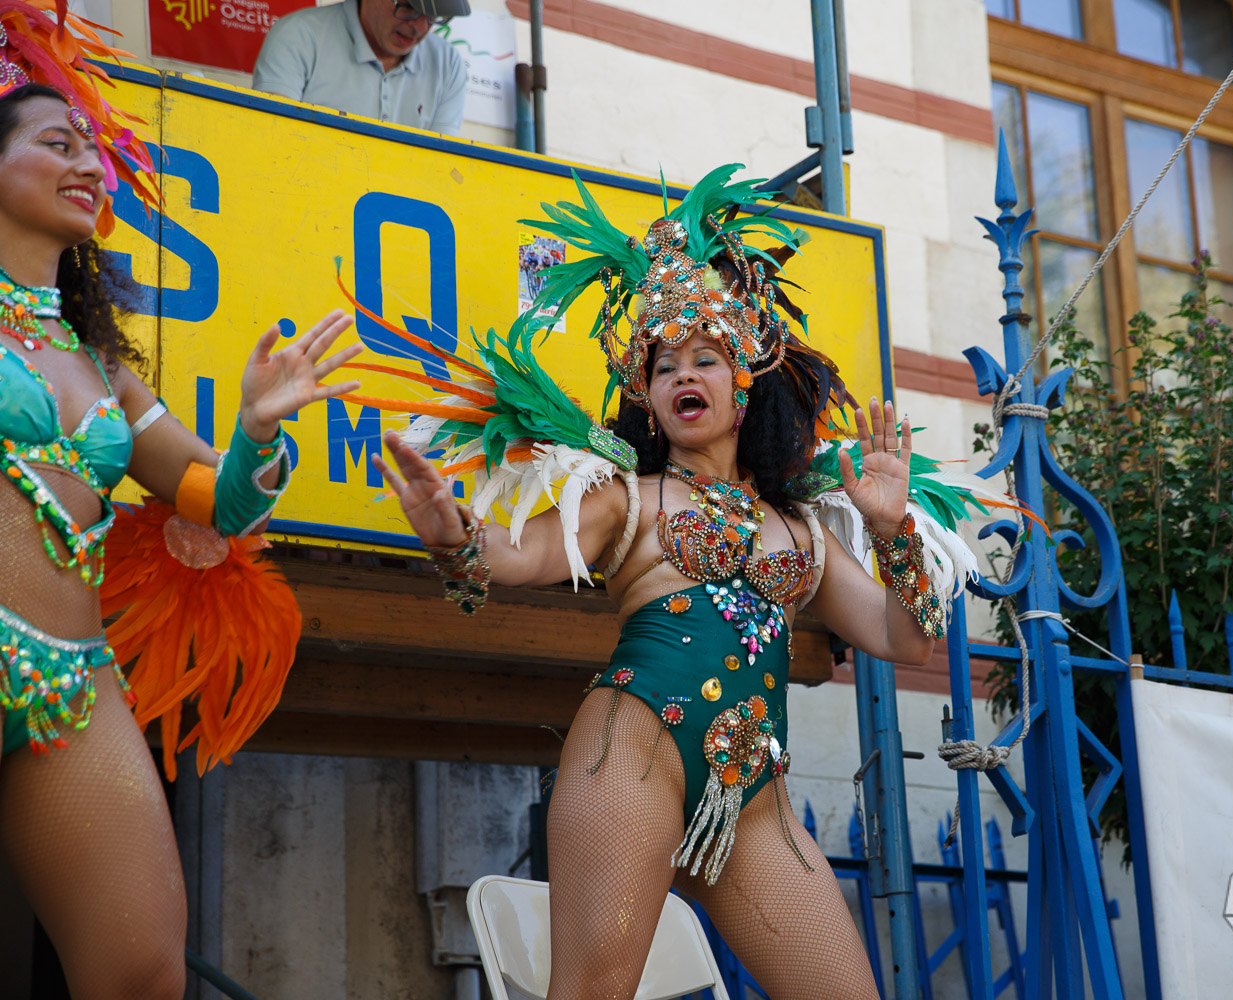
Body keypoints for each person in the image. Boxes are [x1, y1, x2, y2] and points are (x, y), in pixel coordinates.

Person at [362, 166, 1010, 998]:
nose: (682, 378)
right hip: (635, 754)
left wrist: (889, 532)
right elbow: (519, 559)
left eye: (704, 358)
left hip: (754, 795)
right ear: (647, 395)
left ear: (746, 384)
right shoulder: (626, 494)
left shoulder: (802, 527)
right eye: (663, 367)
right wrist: (453, 534)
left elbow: (901, 637)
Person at [0, 6, 362, 995]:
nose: (88, 163)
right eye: (55, 142)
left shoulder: (103, 365)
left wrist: (258, 430)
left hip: (69, 685)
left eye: (93, 149)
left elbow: (223, 502)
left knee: (141, 970)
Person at [252, 0, 469, 135]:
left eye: (433, 16)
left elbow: (439, 169)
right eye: (409, 7)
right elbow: (272, 138)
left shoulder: (448, 63)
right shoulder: (298, 35)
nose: (420, 27)